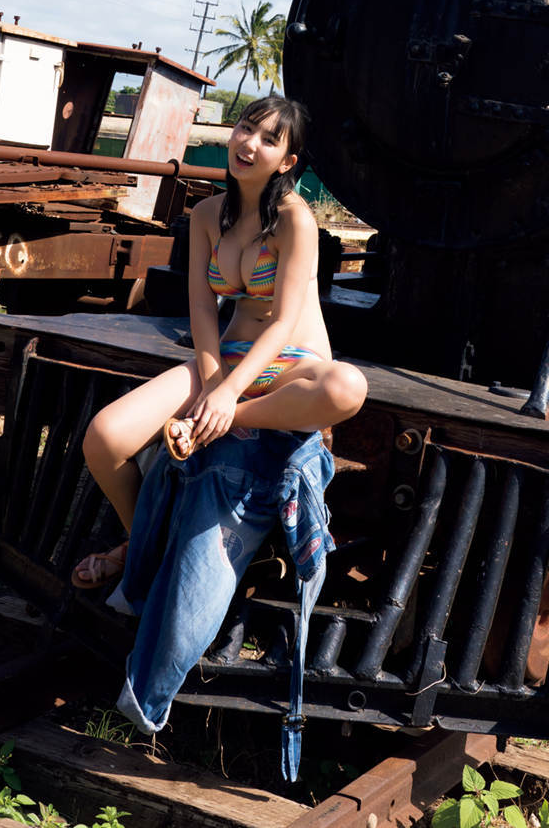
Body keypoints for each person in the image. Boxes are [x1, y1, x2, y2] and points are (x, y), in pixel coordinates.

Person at [72, 94, 367, 589]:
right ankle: (139, 542)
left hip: (292, 363)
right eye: (246, 129)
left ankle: (221, 426)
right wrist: (213, 381)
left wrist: (227, 401)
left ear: (287, 161)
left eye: (269, 139)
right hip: (225, 359)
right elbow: (203, 308)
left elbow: (283, 320)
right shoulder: (208, 214)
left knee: (347, 389)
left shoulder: (297, 220)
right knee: (104, 438)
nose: (249, 144)